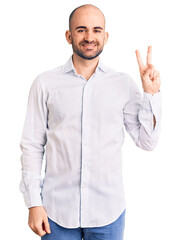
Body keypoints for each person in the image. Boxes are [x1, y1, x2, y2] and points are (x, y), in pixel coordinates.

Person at [19, 4, 161, 240]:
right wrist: (33, 203)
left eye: (96, 30)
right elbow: (32, 144)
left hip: (108, 213)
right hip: (55, 213)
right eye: (81, 30)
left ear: (105, 36)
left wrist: (151, 95)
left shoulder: (123, 84)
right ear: (69, 35)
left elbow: (147, 142)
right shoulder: (45, 84)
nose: (89, 37)